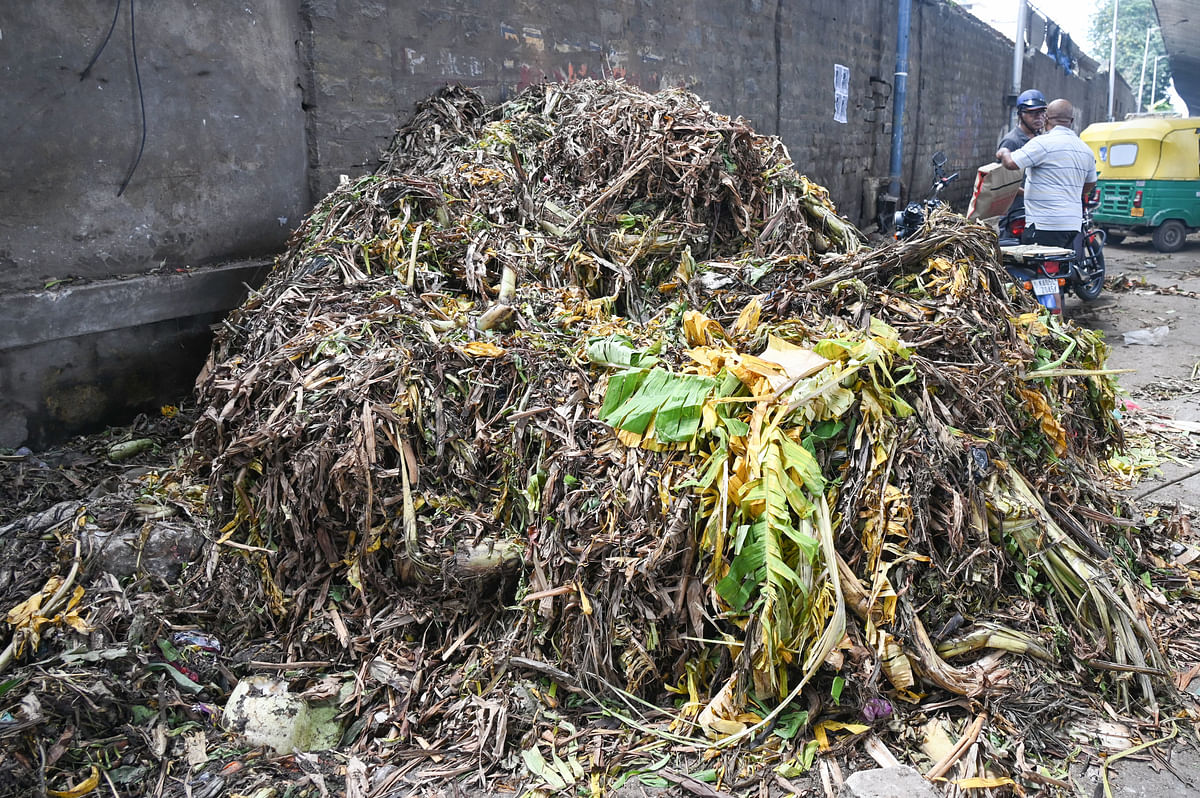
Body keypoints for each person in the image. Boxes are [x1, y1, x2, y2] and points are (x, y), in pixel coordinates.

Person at [996, 98, 1096, 249]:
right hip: (1072, 225)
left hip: (1044, 224)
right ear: (1072, 120)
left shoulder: (1042, 143)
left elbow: (1011, 164)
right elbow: (1089, 185)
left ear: (1046, 118)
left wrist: (1004, 152)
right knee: (1062, 266)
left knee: (1034, 269)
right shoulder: (1086, 150)